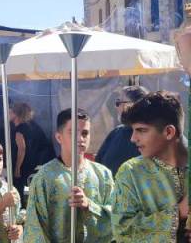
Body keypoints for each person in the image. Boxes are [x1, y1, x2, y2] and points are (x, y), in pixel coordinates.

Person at [24, 108, 114, 242]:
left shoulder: (103, 174)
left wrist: (89, 205)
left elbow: (117, 216)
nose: (80, 138)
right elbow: (35, 228)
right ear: (59, 137)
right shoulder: (44, 177)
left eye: (85, 133)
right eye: (73, 133)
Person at [112, 91, 189, 242]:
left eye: (141, 130)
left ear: (168, 132)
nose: (133, 138)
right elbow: (122, 231)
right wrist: (178, 213)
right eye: (133, 130)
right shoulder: (131, 172)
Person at [96, 86, 148, 176]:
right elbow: (98, 163)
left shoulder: (152, 136)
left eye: (118, 102)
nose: (116, 107)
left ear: (132, 104)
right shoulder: (116, 133)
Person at [10, 102, 55, 195]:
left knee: (18, 186)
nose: (8, 113)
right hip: (41, 163)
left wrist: (17, 168)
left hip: (28, 164)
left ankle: (20, 206)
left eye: (10, 111)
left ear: (15, 114)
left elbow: (22, 149)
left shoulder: (19, 129)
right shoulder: (33, 125)